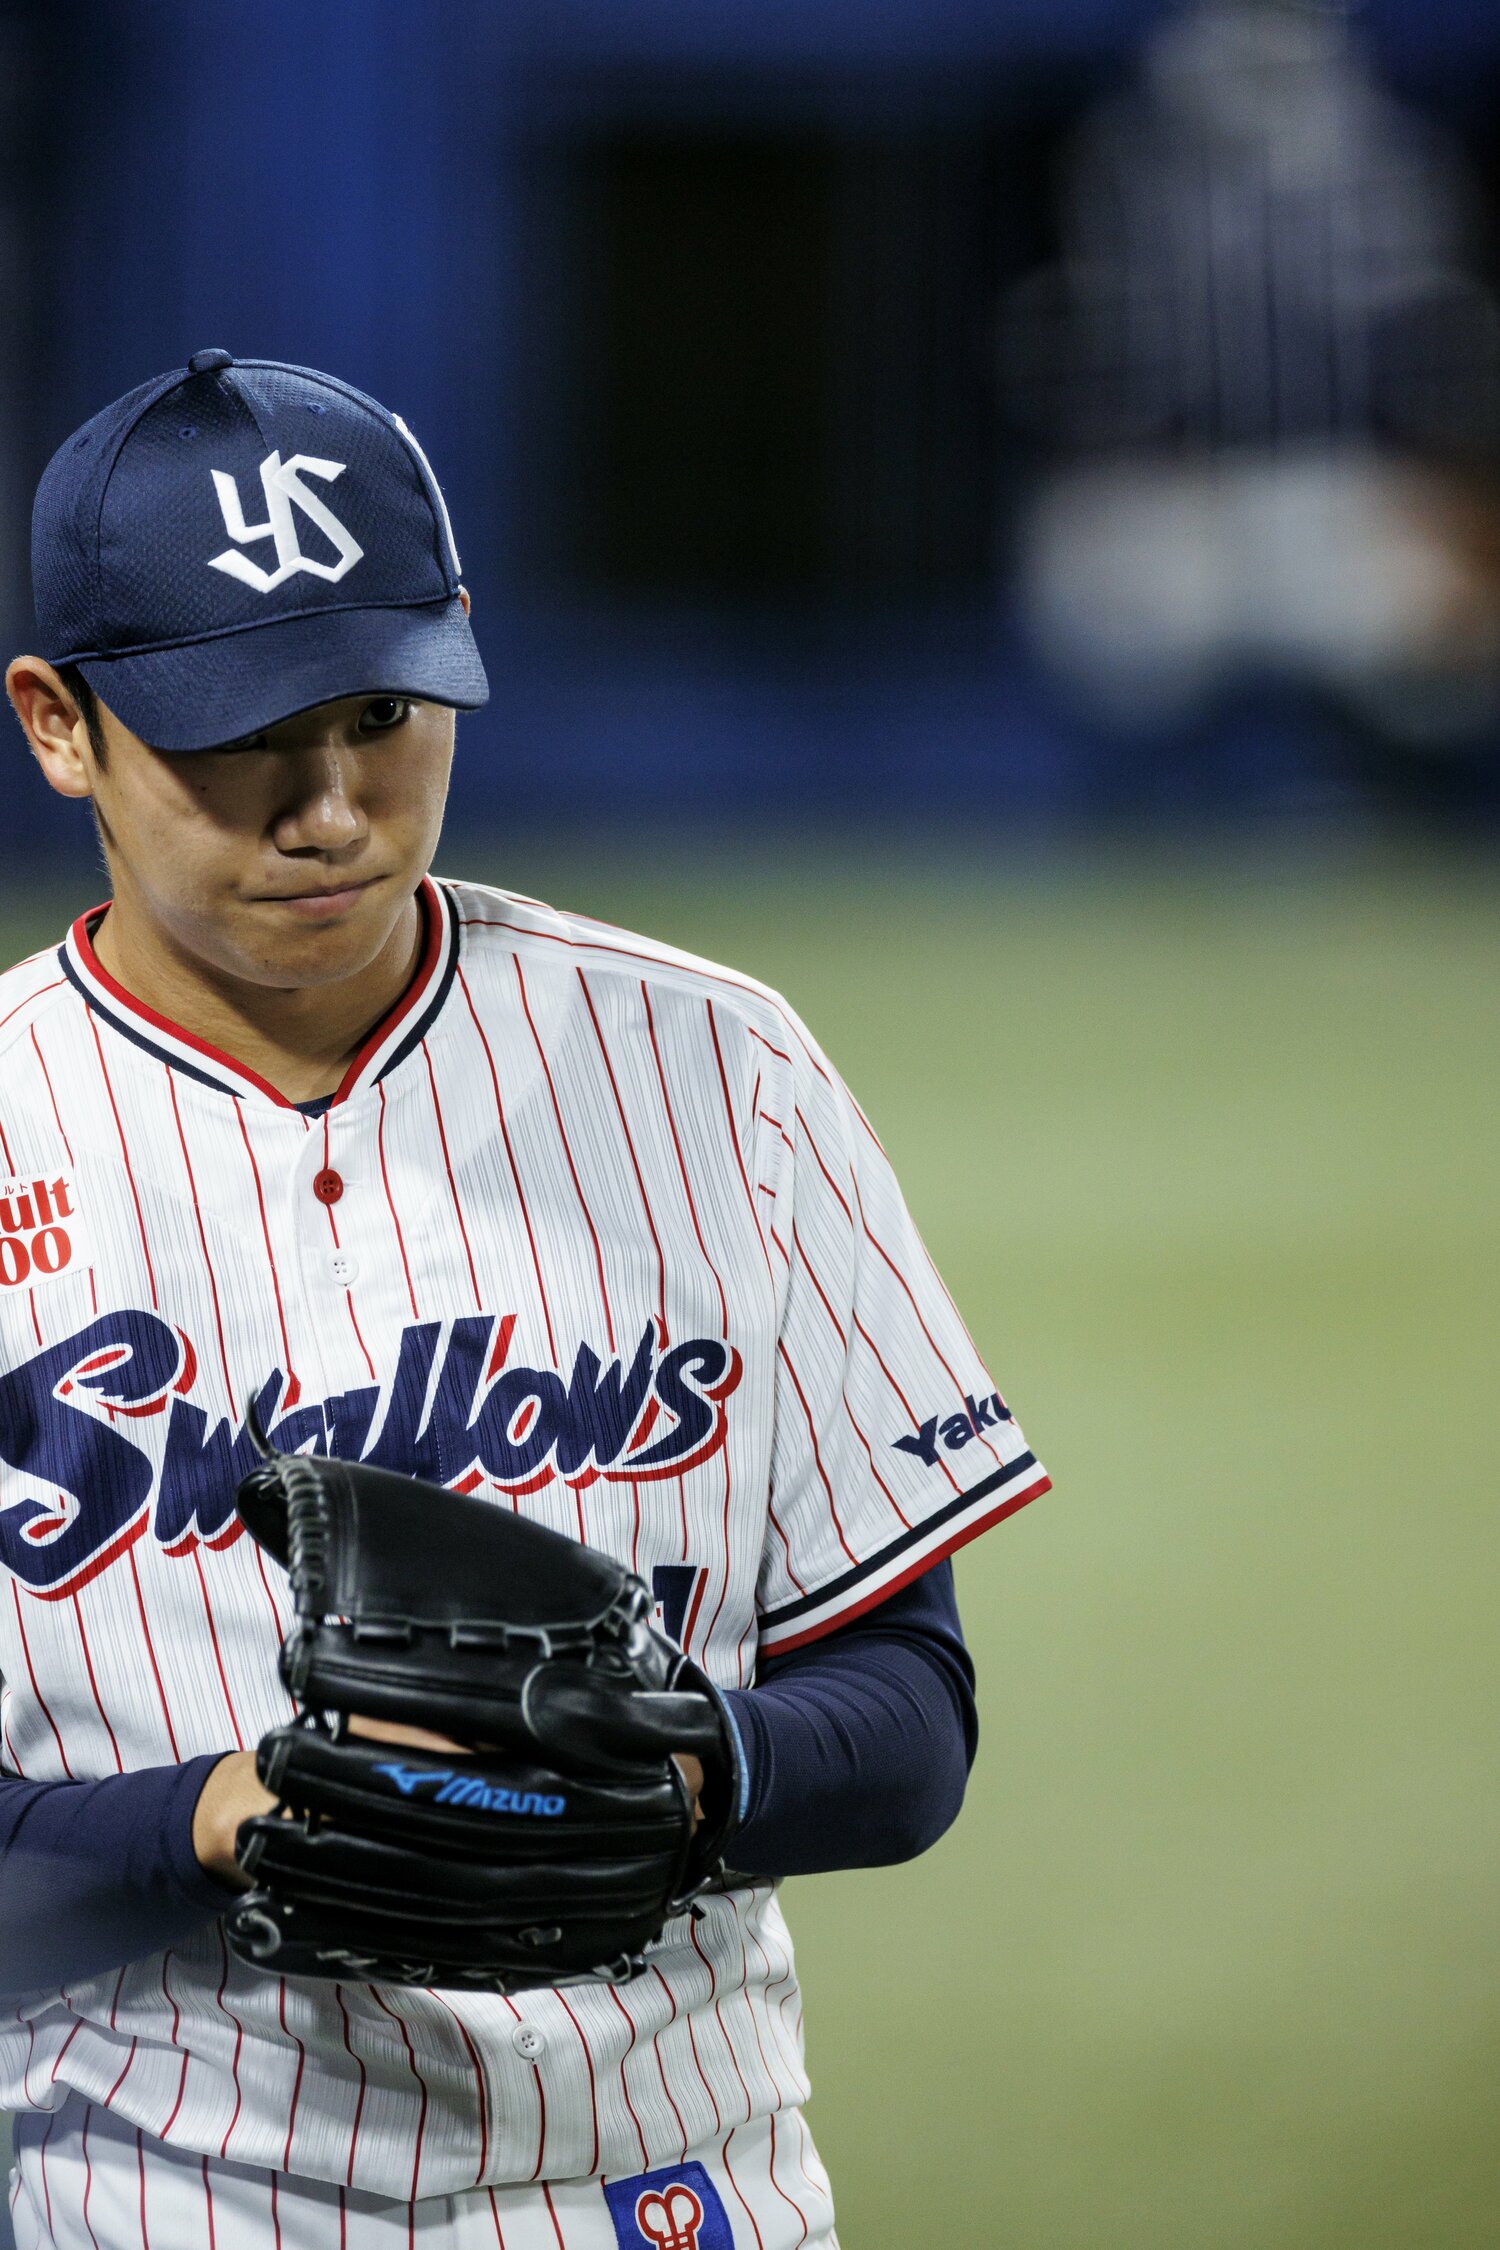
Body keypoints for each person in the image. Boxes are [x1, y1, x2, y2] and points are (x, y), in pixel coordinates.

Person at [0, 351, 1049, 2249]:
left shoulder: (716, 1068)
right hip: (144, 2202)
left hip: (667, 2191)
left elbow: (911, 1716)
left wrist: (697, 1766)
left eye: (382, 710)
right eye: (240, 732)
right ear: (58, 723)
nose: (330, 807)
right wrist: (221, 1819)